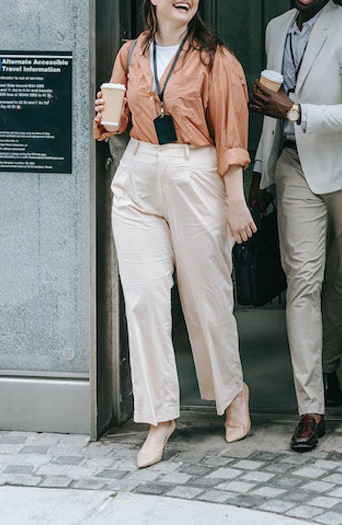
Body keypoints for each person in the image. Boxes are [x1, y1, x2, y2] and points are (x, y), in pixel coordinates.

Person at [93, 0, 256, 468]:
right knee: (144, 300)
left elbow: (230, 132)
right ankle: (159, 417)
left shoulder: (216, 58)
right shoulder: (131, 54)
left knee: (206, 298)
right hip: (140, 172)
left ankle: (232, 392)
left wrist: (236, 199)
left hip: (197, 172)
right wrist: (109, 114)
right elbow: (117, 122)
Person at [249, 0, 342, 451]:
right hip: (293, 166)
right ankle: (311, 408)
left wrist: (297, 111)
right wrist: (261, 170)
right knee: (302, 282)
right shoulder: (275, 27)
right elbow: (270, 106)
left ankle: (330, 366)